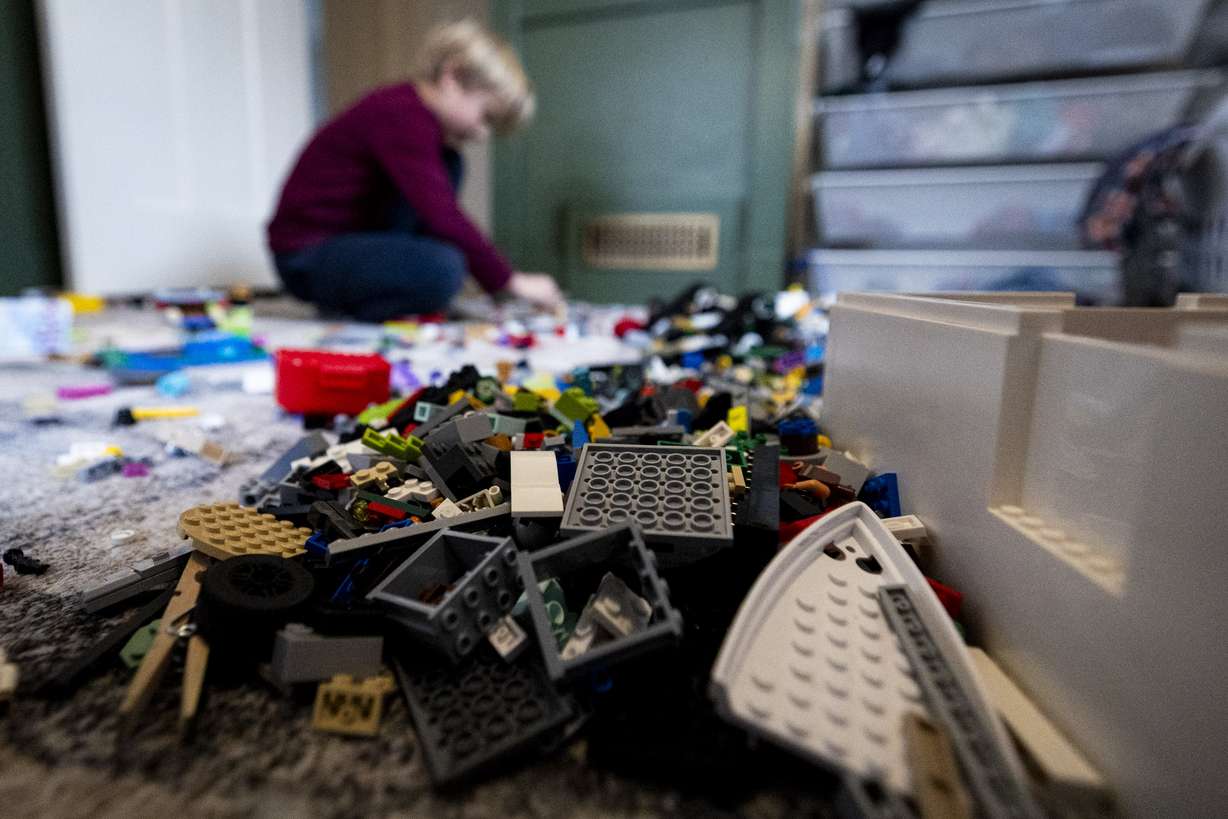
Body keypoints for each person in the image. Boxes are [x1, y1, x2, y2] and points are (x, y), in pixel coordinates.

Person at [267, 20, 561, 321]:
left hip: (349, 245)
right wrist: (510, 280)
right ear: (453, 77)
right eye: (485, 116)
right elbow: (442, 215)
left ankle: (385, 301)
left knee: (449, 166)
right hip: (305, 257)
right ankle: (357, 307)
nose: (482, 133)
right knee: (445, 267)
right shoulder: (401, 115)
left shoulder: (425, 131)